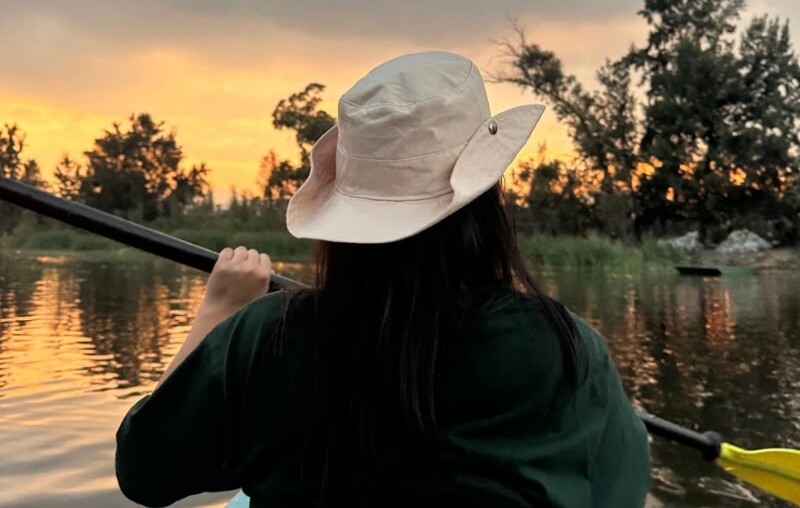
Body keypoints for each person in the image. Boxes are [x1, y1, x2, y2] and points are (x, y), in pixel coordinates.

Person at [115, 51, 651, 507]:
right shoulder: (570, 352)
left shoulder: (262, 339)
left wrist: (217, 315)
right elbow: (619, 493)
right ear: (487, 203)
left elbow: (144, 472)